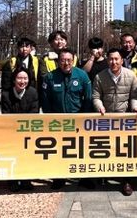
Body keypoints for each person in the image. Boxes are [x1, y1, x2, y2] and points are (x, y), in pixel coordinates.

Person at [92, 48, 137, 196]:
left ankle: (126, 181)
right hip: (105, 118)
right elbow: (96, 96)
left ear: (121, 60)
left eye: (116, 59)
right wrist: (100, 107)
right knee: (105, 147)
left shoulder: (130, 75)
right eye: (111, 59)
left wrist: (135, 107)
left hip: (125, 119)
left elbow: (134, 96)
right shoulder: (100, 77)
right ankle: (103, 175)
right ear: (107, 60)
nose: (113, 62)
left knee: (125, 150)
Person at [40, 48, 91, 189]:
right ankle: (59, 177)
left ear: (73, 60)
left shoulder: (82, 76)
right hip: (58, 122)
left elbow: (88, 98)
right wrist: (50, 119)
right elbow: (45, 100)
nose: (66, 63)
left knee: (81, 150)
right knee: (59, 151)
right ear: (58, 61)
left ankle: (84, 178)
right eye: (63, 60)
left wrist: (84, 118)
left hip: (78, 122)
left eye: (69, 60)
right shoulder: (50, 77)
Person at [1, 69, 38, 192]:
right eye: (19, 78)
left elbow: (34, 112)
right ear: (13, 80)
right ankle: (12, 180)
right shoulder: (6, 94)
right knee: (12, 155)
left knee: (26, 155)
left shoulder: (33, 93)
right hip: (11, 132)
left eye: (25, 78)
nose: (22, 81)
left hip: (27, 131)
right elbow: (6, 114)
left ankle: (26, 179)